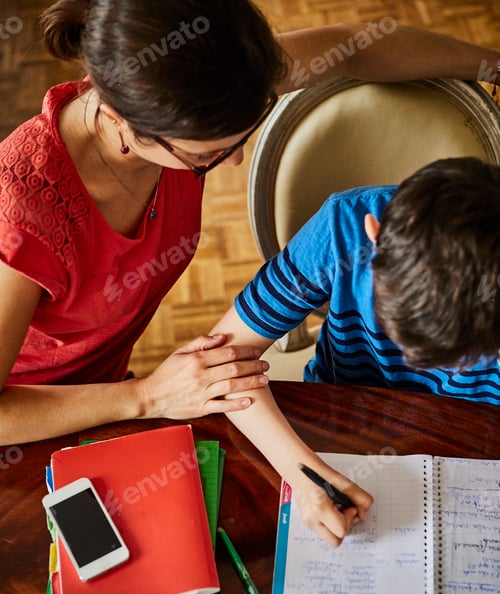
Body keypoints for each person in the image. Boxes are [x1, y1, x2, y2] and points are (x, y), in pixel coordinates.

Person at [1, 0, 499, 447]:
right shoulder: (22, 208)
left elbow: (354, 47)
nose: (236, 160)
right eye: (209, 154)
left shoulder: (211, 81)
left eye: (243, 134)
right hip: (33, 416)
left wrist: (494, 64)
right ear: (120, 121)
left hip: (109, 391)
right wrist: (145, 396)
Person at [209, 157, 500, 547]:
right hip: (337, 425)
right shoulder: (344, 228)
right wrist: (304, 475)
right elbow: (222, 364)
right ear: (374, 236)